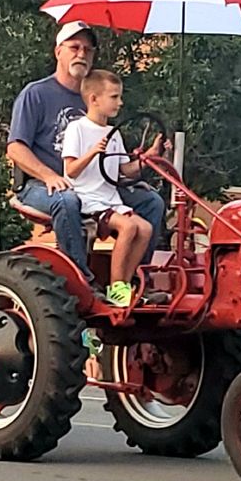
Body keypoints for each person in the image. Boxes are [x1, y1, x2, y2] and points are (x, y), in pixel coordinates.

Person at [5, 23, 166, 276]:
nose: (82, 54)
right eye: (74, 47)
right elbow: (15, 148)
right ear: (58, 52)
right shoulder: (36, 94)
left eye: (88, 50)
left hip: (97, 186)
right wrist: (49, 176)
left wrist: (142, 164)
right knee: (66, 199)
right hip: (42, 184)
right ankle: (82, 281)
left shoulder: (99, 96)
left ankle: (134, 278)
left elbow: (115, 160)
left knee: (151, 202)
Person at [60, 69, 152, 306]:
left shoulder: (114, 133)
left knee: (146, 228)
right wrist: (92, 153)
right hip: (88, 199)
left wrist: (148, 158)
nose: (120, 103)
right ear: (94, 99)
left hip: (110, 199)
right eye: (114, 97)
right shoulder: (77, 129)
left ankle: (127, 282)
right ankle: (116, 287)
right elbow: (70, 171)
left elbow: (124, 170)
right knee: (129, 227)